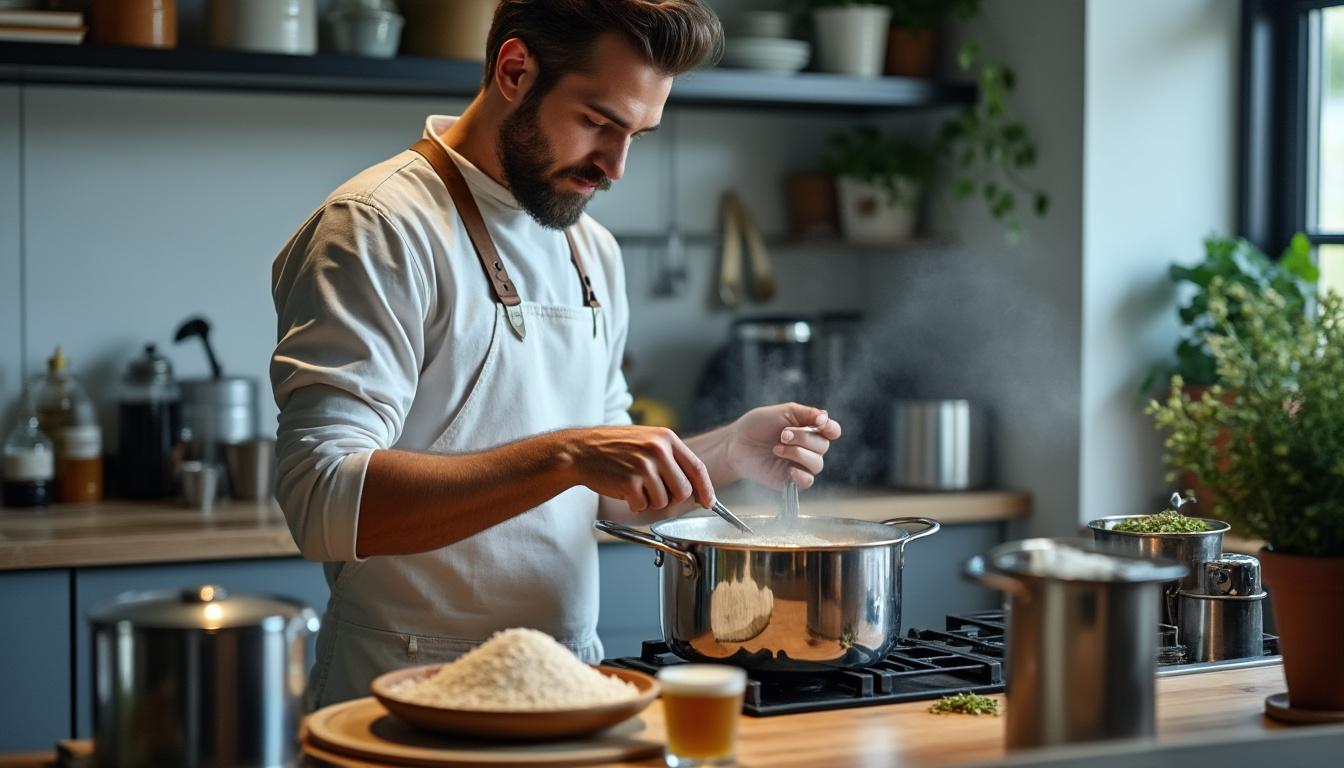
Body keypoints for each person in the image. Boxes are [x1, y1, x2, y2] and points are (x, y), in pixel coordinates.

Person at [270, 0, 842, 708]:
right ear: (515, 70)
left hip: (569, 686)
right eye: (599, 122)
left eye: (637, 135)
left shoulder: (590, 250)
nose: (617, 166)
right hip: (401, 691)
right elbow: (322, 501)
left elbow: (606, 490)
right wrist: (564, 455)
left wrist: (727, 450)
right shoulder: (378, 227)